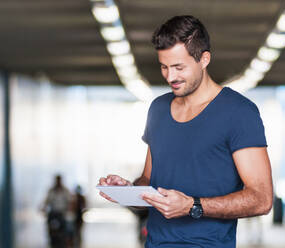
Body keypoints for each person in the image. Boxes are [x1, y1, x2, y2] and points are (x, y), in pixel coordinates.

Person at [98, 15, 273, 248]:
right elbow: (149, 181)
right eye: (164, 67)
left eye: (179, 67)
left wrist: (193, 206)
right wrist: (129, 191)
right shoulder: (158, 109)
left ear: (204, 59)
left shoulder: (239, 113)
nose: (171, 77)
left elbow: (262, 199)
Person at [41, 174, 72, 248]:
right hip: (53, 213)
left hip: (62, 213)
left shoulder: (65, 191)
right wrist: (43, 209)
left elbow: (70, 202)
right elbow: (46, 201)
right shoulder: (51, 191)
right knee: (51, 230)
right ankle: (52, 243)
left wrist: (69, 210)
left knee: (65, 231)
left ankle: (64, 243)